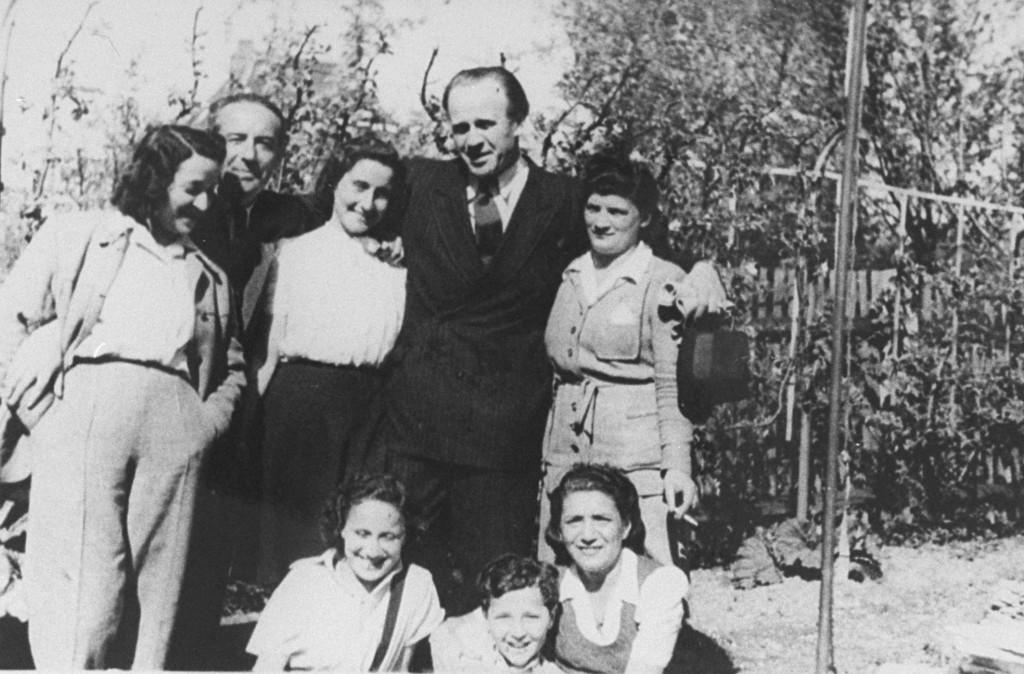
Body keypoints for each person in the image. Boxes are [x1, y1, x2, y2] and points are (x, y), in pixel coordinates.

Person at [377, 66, 728, 615]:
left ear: (519, 122)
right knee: (405, 582)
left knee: (495, 585)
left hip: (505, 430)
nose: (473, 139)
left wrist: (703, 271)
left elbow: (650, 244)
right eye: (460, 126)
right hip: (418, 424)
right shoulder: (422, 184)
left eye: (487, 123)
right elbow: (338, 203)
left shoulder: (564, 200)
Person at [0, 125, 245, 669]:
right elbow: (8, 320)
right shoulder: (79, 235)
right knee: (84, 587)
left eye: (214, 191)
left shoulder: (209, 274)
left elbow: (232, 367)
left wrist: (204, 425)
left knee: (158, 595)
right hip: (83, 419)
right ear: (155, 181)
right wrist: (41, 417)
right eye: (194, 187)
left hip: (176, 432)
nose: (205, 204)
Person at [254, 139, 408, 585]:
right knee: (295, 539)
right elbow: (271, 346)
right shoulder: (296, 253)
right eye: (358, 186)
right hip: (300, 404)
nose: (368, 203)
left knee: (358, 533)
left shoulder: (395, 263)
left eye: (382, 193)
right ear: (334, 182)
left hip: (369, 409)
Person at [539, 151, 697, 567]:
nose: (601, 221)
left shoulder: (661, 280)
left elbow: (671, 384)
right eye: (593, 208)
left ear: (643, 217)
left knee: (649, 572)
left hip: (636, 461)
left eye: (616, 210)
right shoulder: (570, 274)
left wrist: (677, 467)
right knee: (560, 572)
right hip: (566, 454)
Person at [247, 473, 444, 671]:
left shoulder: (416, 585)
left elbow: (401, 669)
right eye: (362, 533)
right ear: (342, 529)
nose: (373, 551)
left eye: (388, 536)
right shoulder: (304, 581)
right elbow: (266, 668)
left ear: (405, 536)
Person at [546, 464, 688, 674]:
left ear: (626, 526)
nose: (587, 535)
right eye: (574, 521)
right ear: (559, 530)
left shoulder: (658, 584)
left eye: (601, 519)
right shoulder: (550, 583)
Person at [430, 553, 562, 673]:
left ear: (551, 617)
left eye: (531, 617)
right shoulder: (467, 662)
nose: (518, 633)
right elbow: (445, 633)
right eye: (504, 618)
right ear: (486, 617)